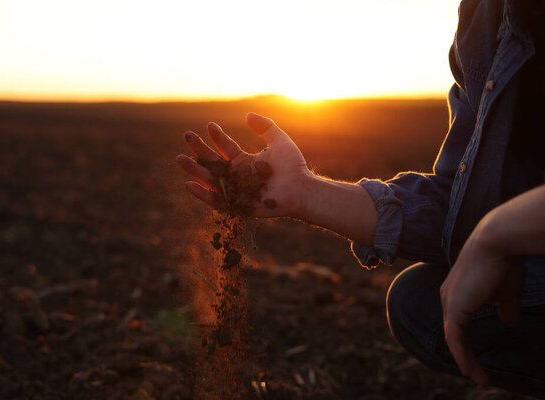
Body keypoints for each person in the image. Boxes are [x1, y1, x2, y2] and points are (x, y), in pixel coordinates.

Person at [176, 0, 545, 397]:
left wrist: (498, 232)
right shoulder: (485, 19)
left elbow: (485, 228)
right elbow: (463, 209)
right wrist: (306, 193)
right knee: (418, 304)